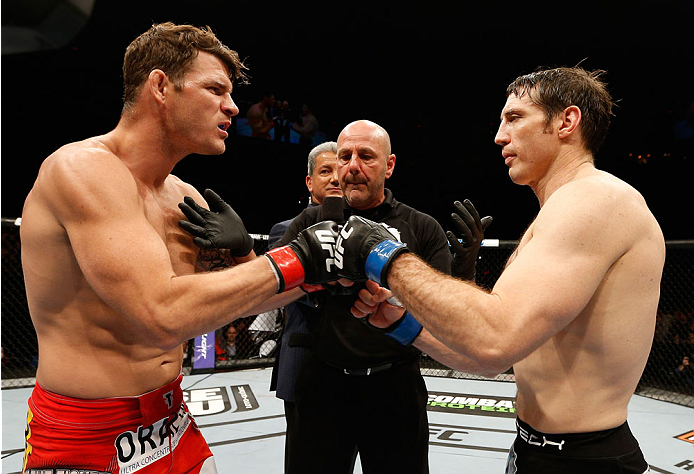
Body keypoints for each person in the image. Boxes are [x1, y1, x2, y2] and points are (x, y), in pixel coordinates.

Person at [18, 22, 337, 472]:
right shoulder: (81, 170)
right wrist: (299, 258)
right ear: (161, 86)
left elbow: (245, 298)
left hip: (172, 420)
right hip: (87, 431)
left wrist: (326, 269)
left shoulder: (186, 198)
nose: (232, 107)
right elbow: (160, 314)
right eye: (215, 89)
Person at [341, 67, 665, 474]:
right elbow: (491, 360)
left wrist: (383, 254)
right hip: (537, 448)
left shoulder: (596, 199)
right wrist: (400, 324)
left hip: (584, 459)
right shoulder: (560, 211)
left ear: (567, 121)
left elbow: (495, 339)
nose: (499, 135)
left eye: (514, 118)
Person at [274, 119, 454, 474]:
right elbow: (271, 288)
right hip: (323, 382)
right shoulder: (309, 222)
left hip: (395, 387)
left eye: (366, 156)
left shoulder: (421, 227)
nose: (353, 166)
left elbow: (446, 313)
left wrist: (398, 297)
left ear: (389, 165)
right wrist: (316, 279)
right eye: (345, 156)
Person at [267, 141, 343, 469]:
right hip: (303, 362)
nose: (335, 179)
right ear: (310, 182)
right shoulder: (285, 230)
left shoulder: (368, 229)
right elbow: (274, 289)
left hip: (357, 368)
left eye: (341, 172)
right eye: (325, 171)